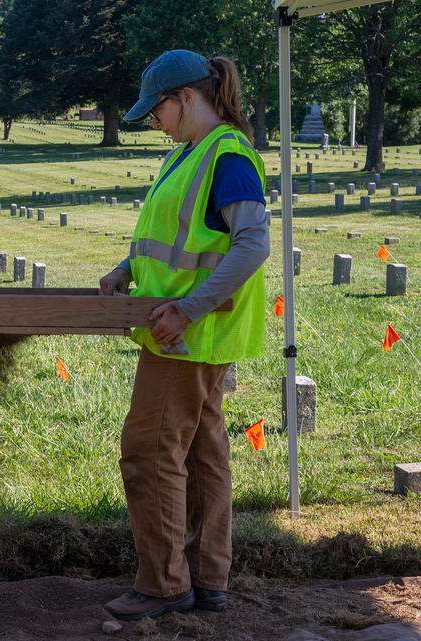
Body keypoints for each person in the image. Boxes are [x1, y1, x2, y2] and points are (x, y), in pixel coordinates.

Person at [98, 50, 270, 621]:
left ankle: (165, 585)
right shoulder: (189, 156)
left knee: (149, 451)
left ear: (188, 98)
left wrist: (190, 310)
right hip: (183, 331)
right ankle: (205, 579)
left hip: (186, 338)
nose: (154, 121)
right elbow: (175, 235)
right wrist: (127, 268)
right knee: (201, 454)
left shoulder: (227, 158)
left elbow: (251, 244)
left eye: (158, 109)